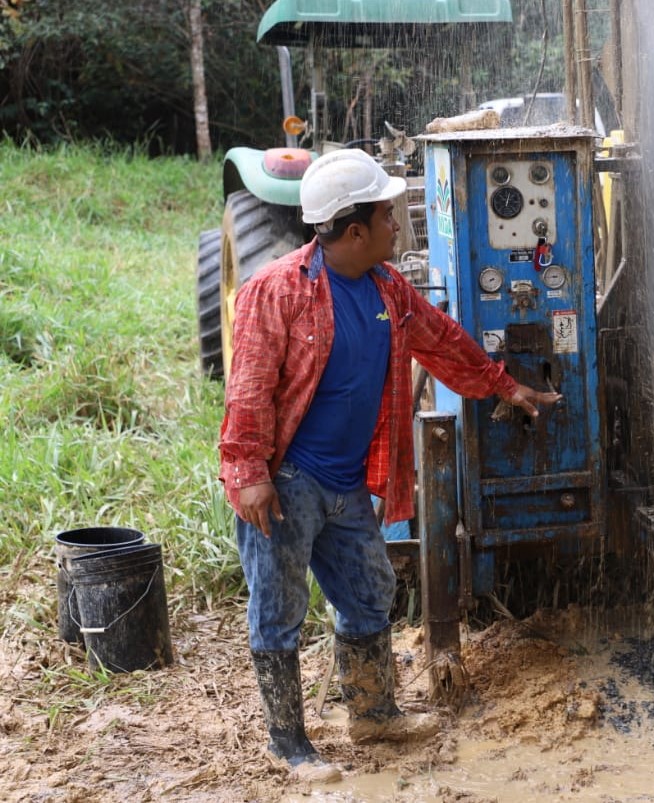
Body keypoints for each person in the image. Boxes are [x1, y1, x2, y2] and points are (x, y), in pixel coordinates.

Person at [219, 149, 561, 781]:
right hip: (288, 483)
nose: (397, 228)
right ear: (354, 232)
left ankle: (373, 714)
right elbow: (248, 390)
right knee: (278, 608)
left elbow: (441, 339)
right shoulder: (278, 291)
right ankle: (289, 744)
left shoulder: (387, 288)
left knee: (371, 593)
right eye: (387, 217)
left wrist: (504, 386)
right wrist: (247, 473)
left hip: (348, 485)